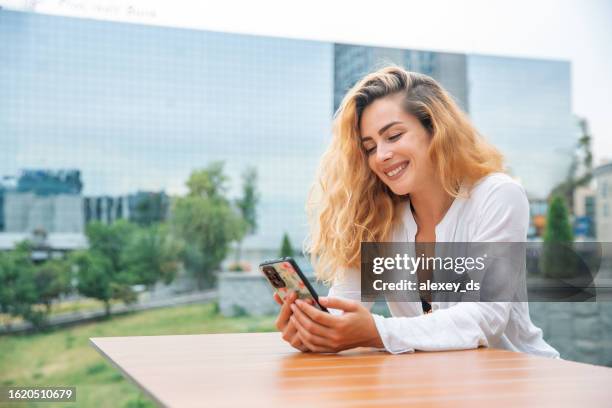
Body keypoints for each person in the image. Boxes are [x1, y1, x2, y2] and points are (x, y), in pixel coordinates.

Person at [273, 66, 559, 358]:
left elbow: (487, 317)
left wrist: (377, 332)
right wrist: (315, 329)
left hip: (517, 382)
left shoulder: (497, 195)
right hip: (435, 387)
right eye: (369, 147)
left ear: (436, 129)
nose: (381, 156)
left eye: (394, 136)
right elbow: (342, 310)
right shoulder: (377, 218)